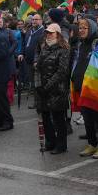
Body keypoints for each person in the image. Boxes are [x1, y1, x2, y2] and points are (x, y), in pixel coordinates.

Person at [70, 17, 98, 159]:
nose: (80, 30)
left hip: (93, 87)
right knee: (87, 118)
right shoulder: (82, 44)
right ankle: (92, 143)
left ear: (91, 28)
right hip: (81, 86)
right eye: (79, 27)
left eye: (84, 28)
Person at [34, 23, 70, 154]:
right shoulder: (44, 47)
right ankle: (50, 141)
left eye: (51, 33)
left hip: (57, 90)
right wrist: (38, 85)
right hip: (43, 88)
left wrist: (47, 86)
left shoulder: (63, 49)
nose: (48, 35)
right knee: (45, 117)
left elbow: (62, 72)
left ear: (58, 34)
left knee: (58, 119)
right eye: (47, 32)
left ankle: (61, 145)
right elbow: (38, 67)